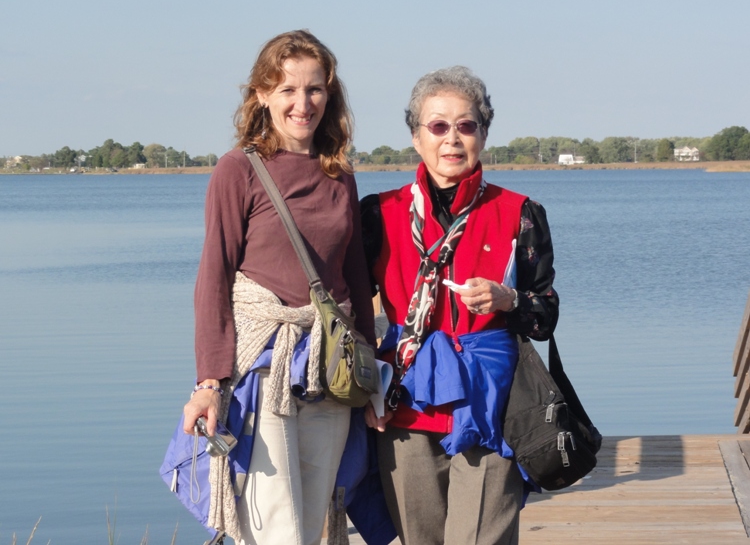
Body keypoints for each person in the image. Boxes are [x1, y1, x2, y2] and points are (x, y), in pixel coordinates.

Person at [181, 30, 376, 545]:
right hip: (264, 364)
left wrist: (372, 370)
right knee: (277, 527)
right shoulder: (238, 170)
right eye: (287, 89)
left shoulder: (340, 174)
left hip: (328, 366)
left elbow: (354, 276)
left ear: (329, 95)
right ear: (262, 95)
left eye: (314, 89)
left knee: (313, 524)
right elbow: (214, 279)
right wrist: (208, 382)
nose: (302, 103)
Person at [360, 66, 559, 545]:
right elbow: (350, 314)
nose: (452, 139)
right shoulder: (378, 214)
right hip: (404, 403)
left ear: (484, 134)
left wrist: (509, 299)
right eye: (438, 126)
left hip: (492, 403)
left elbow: (545, 313)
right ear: (416, 136)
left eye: (466, 125)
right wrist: (365, 393)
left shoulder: (520, 213)